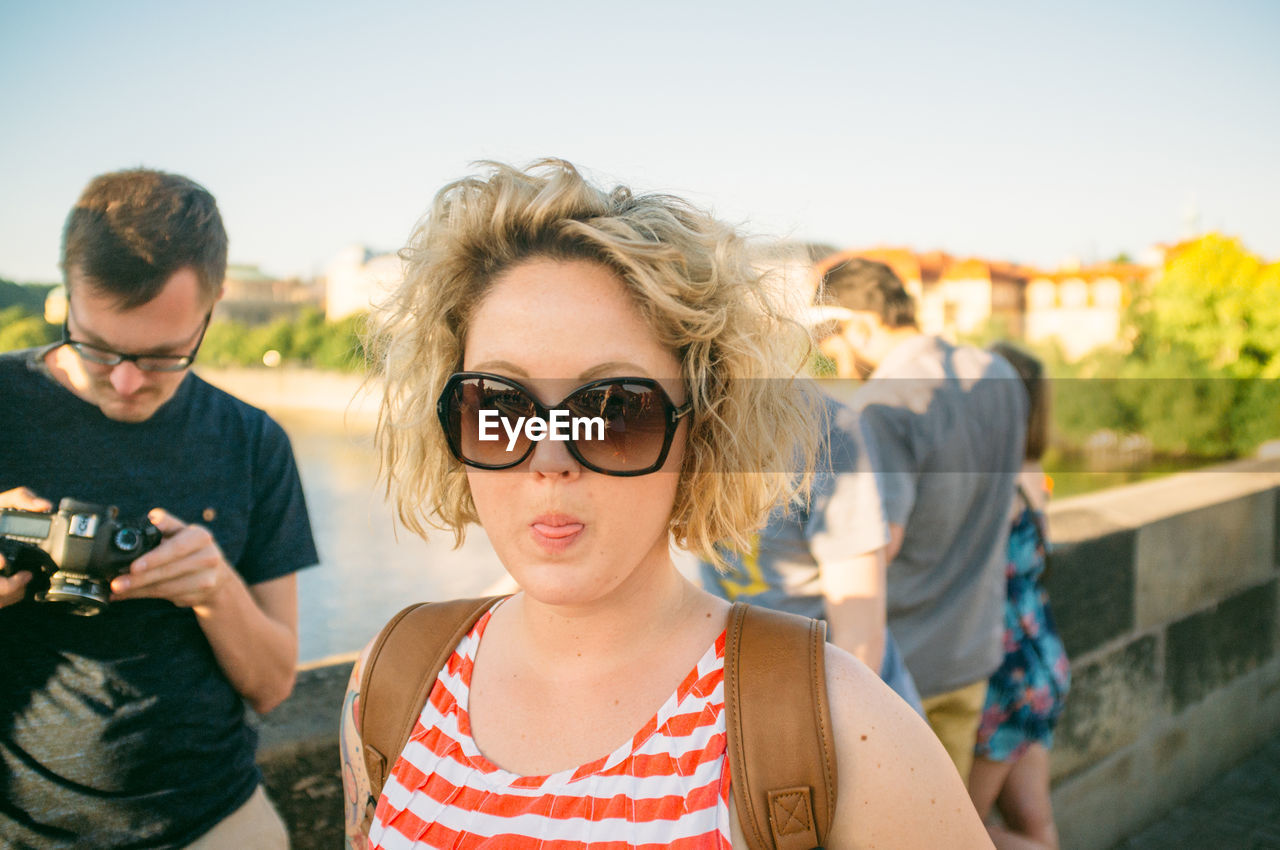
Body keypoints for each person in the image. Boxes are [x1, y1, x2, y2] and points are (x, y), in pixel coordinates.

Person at [339, 159, 991, 848]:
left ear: (703, 427)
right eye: (500, 404)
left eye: (615, 408)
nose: (549, 459)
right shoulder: (394, 680)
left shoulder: (840, 729)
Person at [0, 169, 317, 847]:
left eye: (164, 357)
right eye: (98, 347)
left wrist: (214, 589)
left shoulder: (253, 442)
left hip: (218, 822)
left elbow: (273, 686)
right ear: (66, 290)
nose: (125, 381)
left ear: (215, 302)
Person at [816, 256, 1028, 785]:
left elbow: (877, 543)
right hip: (974, 648)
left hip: (907, 667)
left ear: (860, 326)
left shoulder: (883, 405)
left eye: (832, 342)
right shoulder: (999, 374)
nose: (835, 361)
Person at [699, 392, 925, 715]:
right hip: (744, 683)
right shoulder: (688, 414)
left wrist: (825, 743)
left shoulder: (827, 429)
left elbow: (858, 634)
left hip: (824, 690)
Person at [969, 343, 1070, 850]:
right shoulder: (1033, 475)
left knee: (958, 831)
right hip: (1041, 665)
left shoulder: (994, 484)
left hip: (1003, 677)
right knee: (1036, 825)